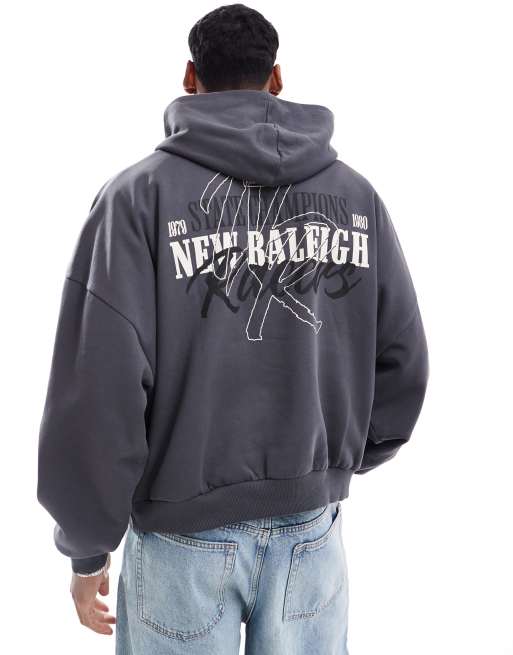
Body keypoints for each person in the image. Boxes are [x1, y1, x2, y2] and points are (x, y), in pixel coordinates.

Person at [37, 4, 429, 654]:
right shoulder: (355, 199)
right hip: (311, 534)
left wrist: (87, 546)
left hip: (181, 539)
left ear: (190, 78)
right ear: (276, 79)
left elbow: (98, 387)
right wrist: (330, 462)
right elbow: (402, 358)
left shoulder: (137, 199)